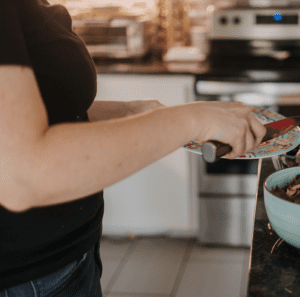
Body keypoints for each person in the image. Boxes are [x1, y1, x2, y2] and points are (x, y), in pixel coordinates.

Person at [0, 0, 267, 296]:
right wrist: (191, 120)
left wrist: (127, 111)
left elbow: (33, 112)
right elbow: (23, 172)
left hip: (65, 257)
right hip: (29, 280)